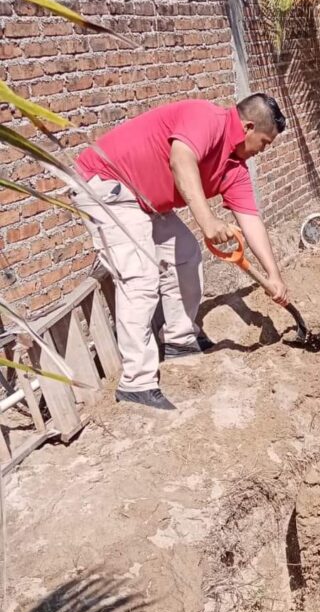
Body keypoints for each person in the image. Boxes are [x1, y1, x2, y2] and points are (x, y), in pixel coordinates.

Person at [72, 94, 290, 410]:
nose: (262, 151)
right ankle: (137, 382)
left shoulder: (235, 167)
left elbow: (250, 219)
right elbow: (181, 158)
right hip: (108, 187)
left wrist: (274, 276)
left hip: (145, 201)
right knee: (141, 278)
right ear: (248, 126)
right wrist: (206, 220)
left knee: (186, 255)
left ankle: (179, 338)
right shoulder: (207, 117)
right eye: (265, 142)